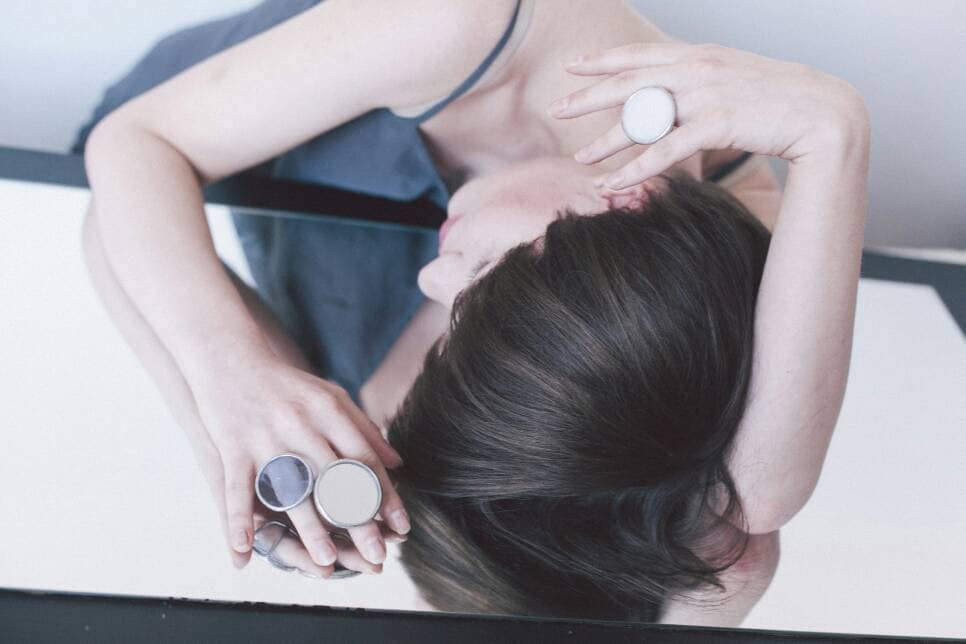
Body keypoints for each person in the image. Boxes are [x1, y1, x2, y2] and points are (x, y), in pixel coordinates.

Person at [79, 0, 869, 625]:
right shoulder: (463, 20)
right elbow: (129, 152)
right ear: (627, 194)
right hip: (176, 135)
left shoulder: (695, 290)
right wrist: (227, 385)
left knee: (479, 525)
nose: (435, 279)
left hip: (310, 246)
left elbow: (751, 512)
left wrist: (246, 430)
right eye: (480, 274)